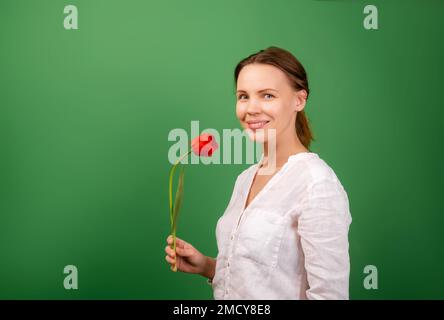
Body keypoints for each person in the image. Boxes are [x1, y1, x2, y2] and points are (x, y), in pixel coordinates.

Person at [165, 46, 352, 299]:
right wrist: (208, 266)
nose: (251, 108)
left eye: (267, 96)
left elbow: (330, 296)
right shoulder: (245, 178)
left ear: (299, 100)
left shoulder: (316, 184)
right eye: (243, 96)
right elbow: (259, 277)